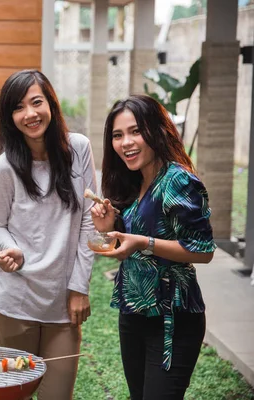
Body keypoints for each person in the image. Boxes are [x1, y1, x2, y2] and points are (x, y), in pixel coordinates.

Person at [90, 95, 216, 399]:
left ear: (157, 131)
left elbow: (204, 250)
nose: (126, 143)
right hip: (133, 311)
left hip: (172, 316)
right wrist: (110, 228)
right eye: (118, 135)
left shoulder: (178, 181)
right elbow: (132, 237)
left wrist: (143, 243)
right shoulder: (133, 181)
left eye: (136, 131)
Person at [0, 69, 95, 400]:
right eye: (19, 107)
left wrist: (79, 287)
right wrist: (10, 249)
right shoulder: (4, 168)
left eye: (37, 102)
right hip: (14, 306)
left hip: (63, 307)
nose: (30, 114)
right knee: (13, 394)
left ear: (51, 103)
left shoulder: (78, 149)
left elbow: (89, 220)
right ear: (10, 117)